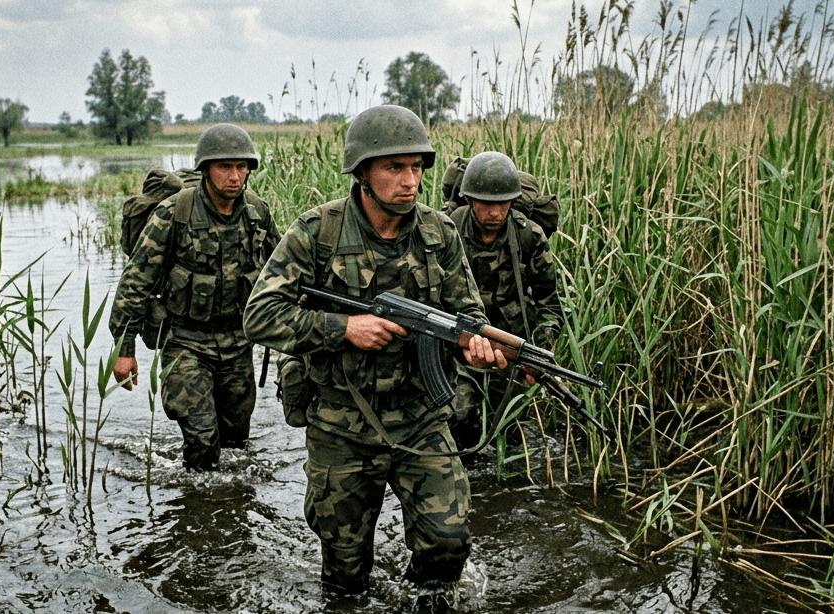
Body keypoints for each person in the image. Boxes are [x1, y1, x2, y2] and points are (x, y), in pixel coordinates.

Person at [243, 105, 507, 598]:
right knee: (345, 574)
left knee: (447, 544)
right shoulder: (317, 232)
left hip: (421, 416)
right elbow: (259, 315)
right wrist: (344, 327)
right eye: (395, 167)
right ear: (362, 171)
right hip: (341, 425)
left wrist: (475, 350)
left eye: (417, 167)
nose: (411, 181)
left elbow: (468, 316)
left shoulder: (439, 234)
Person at [108, 123, 281, 471]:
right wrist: (124, 350)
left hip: (238, 342)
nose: (235, 176)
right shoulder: (174, 213)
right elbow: (136, 281)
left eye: (241, 167)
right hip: (185, 342)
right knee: (203, 442)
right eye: (224, 167)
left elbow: (282, 272)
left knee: (236, 443)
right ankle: (196, 495)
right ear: (205, 169)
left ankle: (226, 500)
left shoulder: (257, 212)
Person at [446, 151, 564, 448]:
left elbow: (549, 303)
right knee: (459, 418)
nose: (496, 212)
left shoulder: (529, 236)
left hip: (509, 343)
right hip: (455, 342)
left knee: (510, 430)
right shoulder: (447, 230)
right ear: (470, 199)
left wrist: (541, 352)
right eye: (487, 203)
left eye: (503, 203)